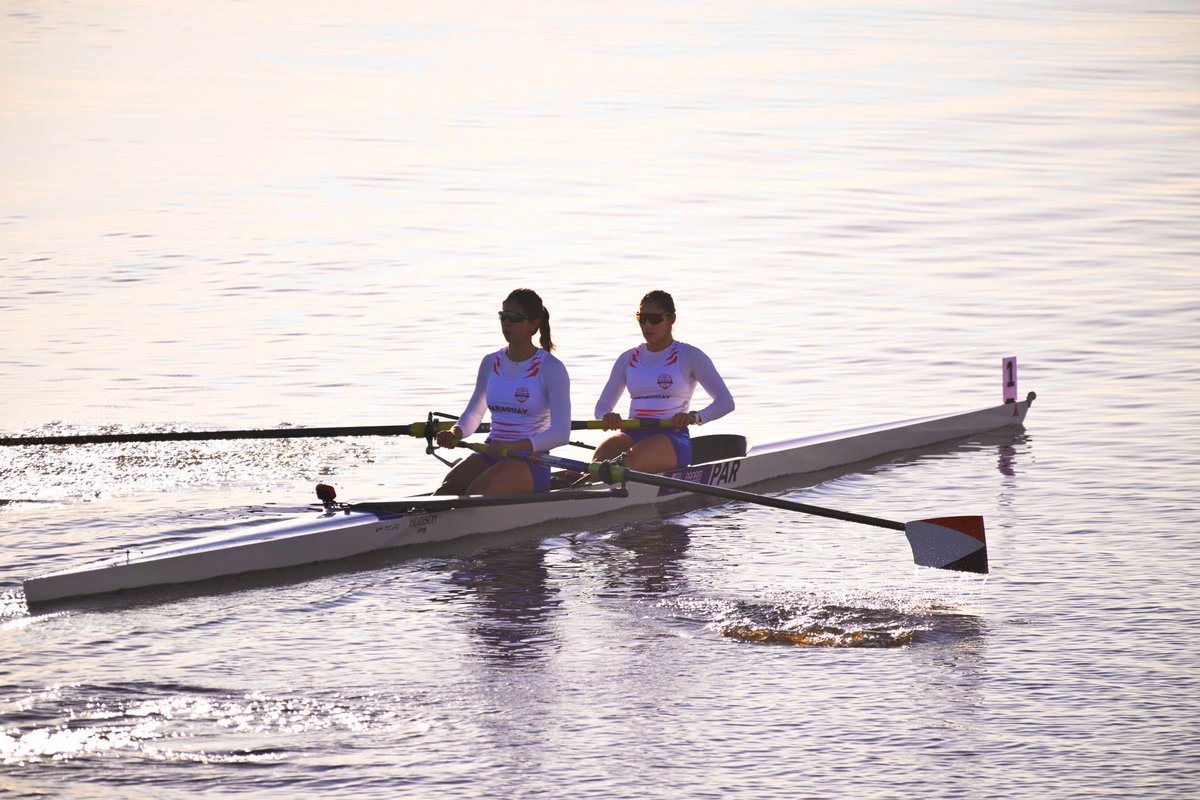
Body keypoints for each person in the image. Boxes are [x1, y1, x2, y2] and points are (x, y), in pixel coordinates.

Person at [434, 289, 570, 495]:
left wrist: (516, 446)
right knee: (448, 489)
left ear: (533, 324)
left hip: (531, 459)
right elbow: (474, 414)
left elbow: (561, 433)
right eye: (503, 316)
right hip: (492, 450)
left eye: (514, 318)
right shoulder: (490, 362)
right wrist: (456, 432)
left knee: (478, 490)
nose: (506, 323)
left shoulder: (551, 368)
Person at [591, 290, 734, 474]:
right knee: (596, 466)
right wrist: (606, 417)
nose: (647, 325)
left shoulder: (689, 356)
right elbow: (602, 406)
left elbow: (726, 402)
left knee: (621, 467)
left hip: (671, 435)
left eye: (655, 319)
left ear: (671, 319)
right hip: (633, 433)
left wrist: (694, 417)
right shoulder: (627, 359)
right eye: (642, 318)